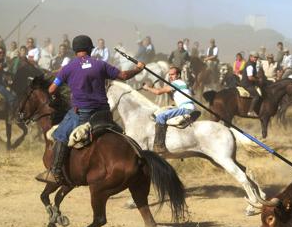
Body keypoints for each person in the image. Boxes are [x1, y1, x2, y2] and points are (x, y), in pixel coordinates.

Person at [37, 35, 146, 185]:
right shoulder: (100, 64)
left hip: (82, 114)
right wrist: (138, 68)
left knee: (60, 134)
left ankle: (55, 172)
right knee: (120, 134)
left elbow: (51, 89)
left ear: (74, 50)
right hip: (103, 113)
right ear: (90, 48)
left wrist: (61, 77)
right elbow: (124, 75)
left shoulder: (67, 68)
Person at [142, 66, 195, 153]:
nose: (170, 76)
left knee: (160, 117)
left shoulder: (176, 83)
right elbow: (173, 97)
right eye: (169, 75)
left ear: (178, 75)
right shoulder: (180, 83)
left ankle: (159, 145)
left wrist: (147, 88)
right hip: (188, 107)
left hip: (186, 108)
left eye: (173, 74)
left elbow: (158, 92)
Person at [241, 51, 262, 117]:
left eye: (257, 57)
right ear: (250, 57)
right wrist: (258, 80)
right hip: (247, 84)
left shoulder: (253, 64)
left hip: (248, 83)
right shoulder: (250, 65)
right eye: (254, 57)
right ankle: (250, 111)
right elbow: (250, 78)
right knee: (256, 96)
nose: (256, 58)